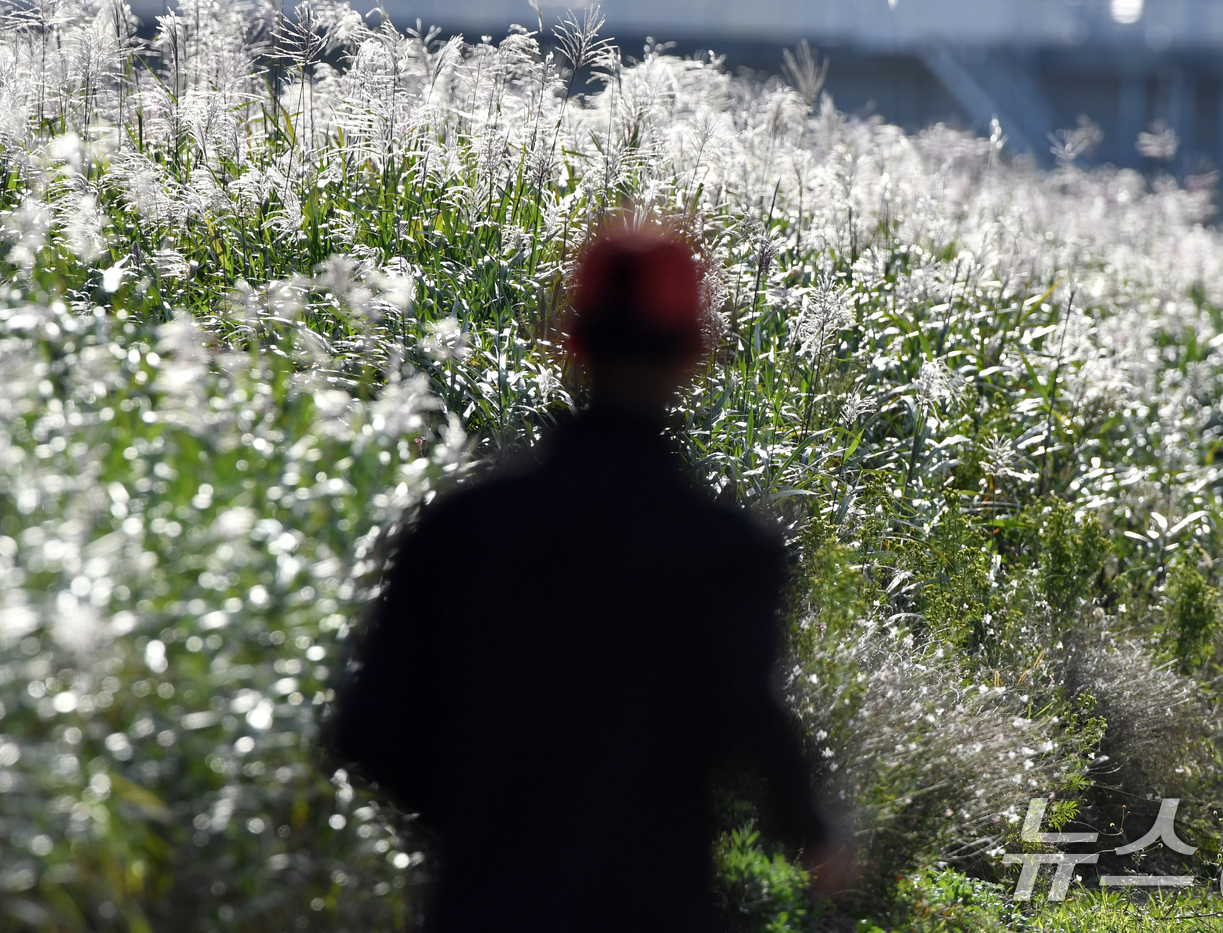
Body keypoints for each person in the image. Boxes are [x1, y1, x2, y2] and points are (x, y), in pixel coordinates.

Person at [327, 222, 848, 932]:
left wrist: (484, 820)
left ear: (567, 343)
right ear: (696, 356)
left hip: (485, 905)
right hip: (654, 904)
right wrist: (810, 829)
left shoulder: (460, 528)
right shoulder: (725, 548)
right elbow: (746, 712)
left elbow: (370, 731)